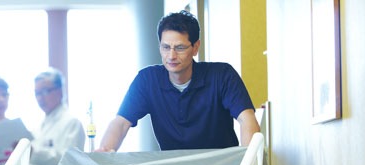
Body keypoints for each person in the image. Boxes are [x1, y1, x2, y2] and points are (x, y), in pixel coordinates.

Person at [98, 10, 260, 153]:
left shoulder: (222, 75)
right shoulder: (147, 80)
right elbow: (120, 123)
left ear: (195, 47)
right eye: (165, 47)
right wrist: (105, 152)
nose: (171, 56)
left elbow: (247, 119)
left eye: (180, 48)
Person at [27, 68, 86, 165]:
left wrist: (34, 153)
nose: (40, 98)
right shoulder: (37, 128)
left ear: (60, 91)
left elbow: (68, 161)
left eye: (45, 91)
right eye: (37, 93)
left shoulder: (72, 123)